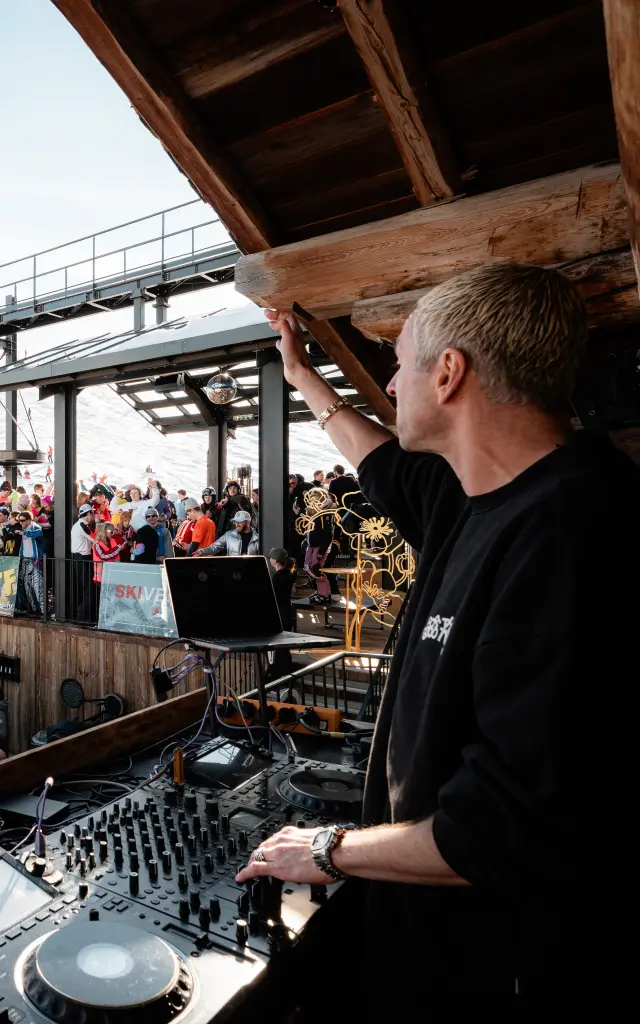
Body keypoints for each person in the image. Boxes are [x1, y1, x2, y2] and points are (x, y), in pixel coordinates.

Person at [237, 265, 640, 1002]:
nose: (389, 388)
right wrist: (300, 374)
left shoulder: (576, 535)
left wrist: (326, 849)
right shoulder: (472, 495)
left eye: (399, 365)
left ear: (449, 373)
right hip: (432, 944)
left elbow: (498, 829)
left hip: (501, 968)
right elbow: (378, 460)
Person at [302, 488, 336, 606]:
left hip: (319, 546)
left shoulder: (326, 513)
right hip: (311, 544)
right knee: (309, 567)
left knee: (317, 569)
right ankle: (320, 591)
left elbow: (328, 534)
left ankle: (324, 594)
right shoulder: (314, 511)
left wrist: (322, 551)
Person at [267, 547, 297, 680]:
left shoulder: (279, 577)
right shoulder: (289, 573)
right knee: (283, 646)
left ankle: (281, 674)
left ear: (274, 560)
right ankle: (284, 673)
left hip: (280, 614)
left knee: (279, 647)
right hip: (286, 612)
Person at [70, 504, 96, 622]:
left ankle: (84, 613)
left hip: (81, 557)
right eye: (92, 514)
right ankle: (85, 614)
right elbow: (94, 540)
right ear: (88, 514)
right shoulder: (82, 525)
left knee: (85, 586)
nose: (93, 516)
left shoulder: (80, 524)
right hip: (82, 558)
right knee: (87, 586)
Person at [17, 511, 44, 616]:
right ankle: (34, 609)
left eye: (23, 521)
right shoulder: (23, 528)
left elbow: (38, 534)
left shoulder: (34, 527)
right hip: (25, 560)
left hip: (35, 561)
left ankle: (43, 611)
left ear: (29, 519)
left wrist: (24, 533)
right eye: (20, 521)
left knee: (38, 586)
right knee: (27, 586)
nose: (22, 523)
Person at [92, 522, 125, 598]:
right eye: (111, 531)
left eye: (113, 531)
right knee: (105, 598)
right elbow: (103, 555)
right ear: (104, 531)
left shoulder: (112, 540)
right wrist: (117, 548)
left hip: (113, 575)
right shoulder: (97, 544)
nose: (113, 533)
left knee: (112, 598)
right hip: (101, 577)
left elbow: (115, 554)